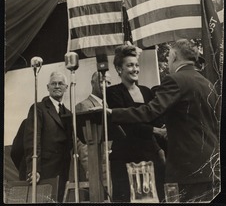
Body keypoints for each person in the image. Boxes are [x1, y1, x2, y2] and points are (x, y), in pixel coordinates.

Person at [108, 39, 221, 202]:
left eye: (168, 58)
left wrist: (113, 113)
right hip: (212, 166)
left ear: (174, 56)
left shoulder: (175, 80)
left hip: (187, 168)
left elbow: (150, 112)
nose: (167, 63)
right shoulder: (209, 84)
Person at [106, 45, 166, 202]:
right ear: (119, 69)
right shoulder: (112, 92)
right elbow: (126, 123)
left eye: (137, 65)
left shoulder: (147, 91)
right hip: (125, 156)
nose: (135, 69)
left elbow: (155, 118)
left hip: (150, 155)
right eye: (130, 65)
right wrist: (156, 131)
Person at [21, 71, 73, 202]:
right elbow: (32, 140)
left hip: (63, 171)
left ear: (66, 87)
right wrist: (34, 169)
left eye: (60, 83)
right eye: (53, 83)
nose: (57, 86)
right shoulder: (38, 108)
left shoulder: (68, 113)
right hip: (43, 171)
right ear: (47, 87)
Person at [75, 71, 112, 197]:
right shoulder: (83, 106)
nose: (106, 85)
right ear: (92, 83)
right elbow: (83, 144)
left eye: (108, 82)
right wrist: (91, 169)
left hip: (110, 168)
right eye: (102, 81)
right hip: (97, 169)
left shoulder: (109, 106)